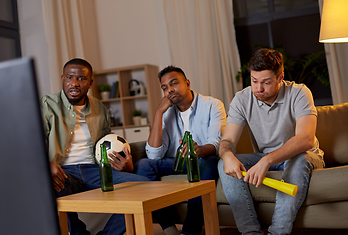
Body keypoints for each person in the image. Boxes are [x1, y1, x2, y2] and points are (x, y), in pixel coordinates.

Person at [218, 48, 325, 235]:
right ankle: (251, 233)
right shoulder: (242, 99)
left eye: (266, 82)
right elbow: (228, 140)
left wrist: (266, 161)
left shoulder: (299, 92)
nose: (258, 89)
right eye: (254, 81)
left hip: (305, 157)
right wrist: (227, 154)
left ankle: (278, 232)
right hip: (265, 157)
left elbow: (305, 139)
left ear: (280, 77)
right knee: (223, 164)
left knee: (299, 159)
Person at [41, 58, 150, 235]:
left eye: (81, 79)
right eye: (70, 77)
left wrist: (125, 164)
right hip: (64, 172)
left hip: (96, 170)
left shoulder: (99, 108)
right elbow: (32, 141)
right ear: (63, 79)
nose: (74, 83)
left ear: (90, 83)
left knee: (145, 186)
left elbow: (109, 142)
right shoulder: (47, 105)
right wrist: (46, 165)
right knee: (54, 189)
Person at [135, 65, 227, 235]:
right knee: (143, 165)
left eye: (174, 83)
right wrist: (158, 113)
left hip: (203, 160)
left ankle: (189, 231)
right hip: (177, 162)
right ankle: (169, 227)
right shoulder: (166, 113)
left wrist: (198, 150)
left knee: (207, 163)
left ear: (187, 83)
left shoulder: (212, 105)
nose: (170, 90)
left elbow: (216, 144)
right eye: (164, 88)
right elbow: (154, 155)